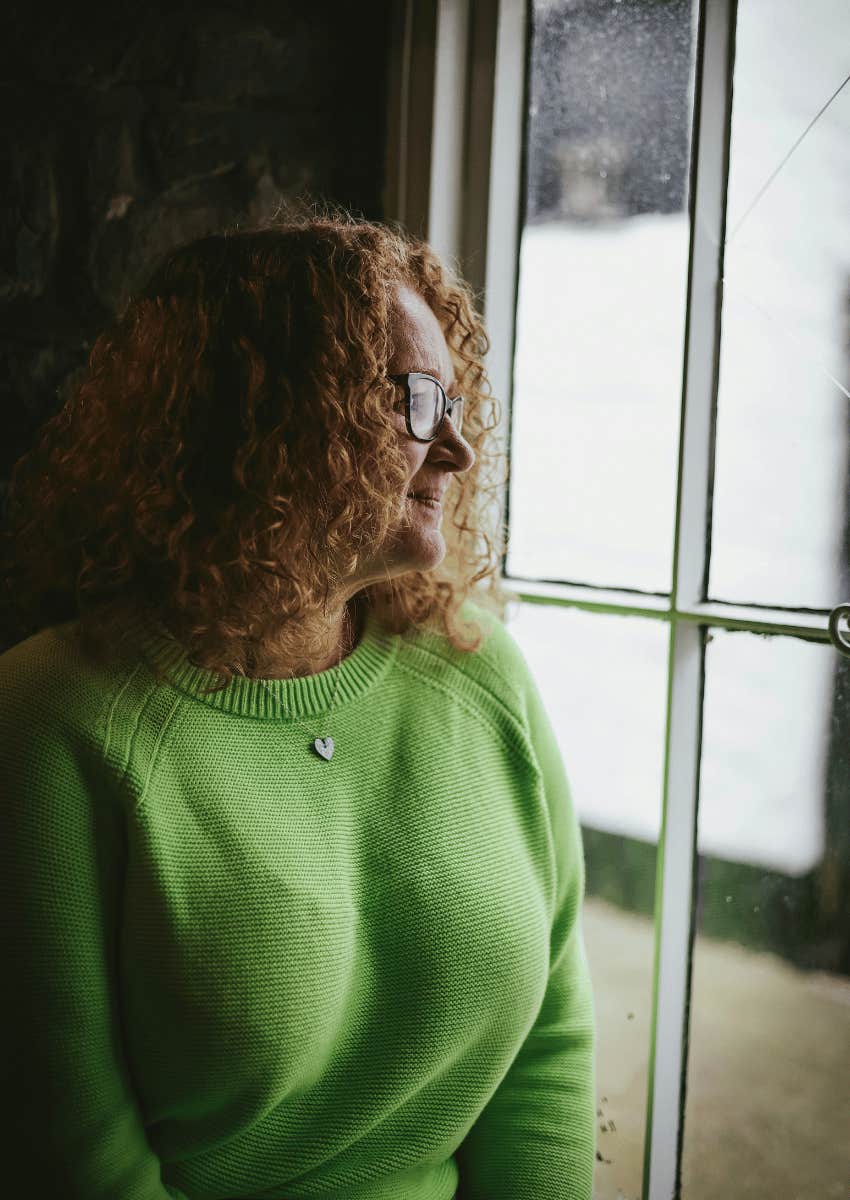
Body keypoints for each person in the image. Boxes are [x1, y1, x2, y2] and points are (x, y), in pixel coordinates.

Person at [0, 202, 596, 1199]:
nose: (452, 451)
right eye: (415, 402)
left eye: (456, 407)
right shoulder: (50, 725)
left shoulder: (480, 671)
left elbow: (550, 1051)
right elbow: (77, 1166)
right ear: (269, 417)